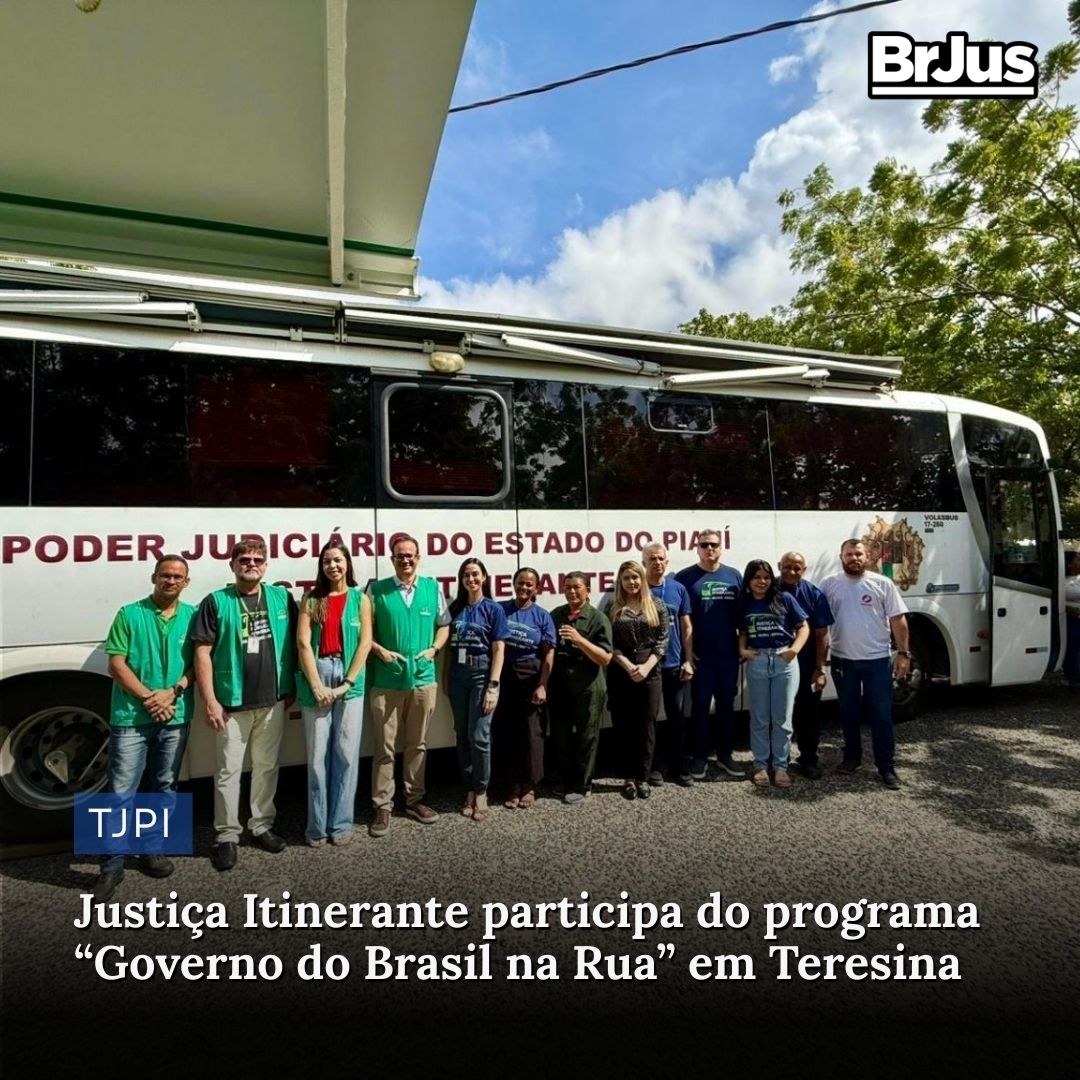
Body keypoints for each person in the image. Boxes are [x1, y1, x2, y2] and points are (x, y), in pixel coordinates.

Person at [95, 556, 196, 903]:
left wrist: (175, 691)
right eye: (165, 575)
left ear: (186, 582)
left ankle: (152, 850)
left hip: (176, 712)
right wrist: (149, 698)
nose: (170, 581)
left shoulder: (192, 615)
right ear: (154, 577)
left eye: (177, 577)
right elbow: (116, 664)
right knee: (121, 789)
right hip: (131, 716)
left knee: (165, 784)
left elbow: (199, 665)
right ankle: (111, 864)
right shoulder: (129, 614)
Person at [192, 540, 297, 870]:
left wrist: (290, 686)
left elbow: (297, 642)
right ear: (232, 565)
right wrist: (209, 700)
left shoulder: (282, 598)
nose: (251, 564)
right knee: (228, 771)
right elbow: (202, 653)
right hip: (231, 703)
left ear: (266, 566)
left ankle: (261, 825)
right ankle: (226, 836)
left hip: (273, 701)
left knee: (266, 766)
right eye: (244, 559)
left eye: (257, 560)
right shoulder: (215, 602)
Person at [366, 533, 450, 837]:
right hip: (386, 682)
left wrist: (435, 650)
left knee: (417, 744)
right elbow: (365, 632)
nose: (406, 559)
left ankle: (414, 800)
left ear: (418, 557)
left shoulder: (432, 588)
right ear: (392, 559)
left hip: (423, 680)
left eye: (410, 555)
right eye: (400, 555)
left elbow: (444, 625)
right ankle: (383, 807)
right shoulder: (376, 591)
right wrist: (379, 650)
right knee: (384, 748)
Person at [295, 542, 372, 847]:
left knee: (346, 755)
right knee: (316, 759)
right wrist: (316, 686)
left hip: (349, 678)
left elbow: (365, 642)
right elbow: (303, 643)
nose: (333, 566)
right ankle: (316, 828)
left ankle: (340, 824)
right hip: (318, 672)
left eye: (338, 560)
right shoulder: (311, 600)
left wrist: (347, 683)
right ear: (321, 566)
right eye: (327, 561)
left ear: (347, 564)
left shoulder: (360, 599)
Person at [819, 539, 910, 790]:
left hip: (877, 661)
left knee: (881, 715)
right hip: (842, 660)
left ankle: (886, 767)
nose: (854, 558)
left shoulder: (882, 584)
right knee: (848, 712)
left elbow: (898, 620)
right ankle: (851, 758)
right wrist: (820, 658)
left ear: (867, 556)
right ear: (841, 557)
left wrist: (903, 653)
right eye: (849, 554)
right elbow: (821, 625)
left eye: (858, 554)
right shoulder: (829, 584)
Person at [675, 530, 744, 780]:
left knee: (727, 706)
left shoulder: (734, 575)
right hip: (700, 657)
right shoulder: (685, 577)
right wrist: (687, 654)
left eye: (714, 544)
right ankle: (700, 757)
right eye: (704, 545)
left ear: (721, 547)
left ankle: (725, 756)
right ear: (697, 548)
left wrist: (742, 647)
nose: (709, 549)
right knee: (700, 707)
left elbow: (742, 617)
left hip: (728, 656)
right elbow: (682, 621)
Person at [447, 559, 509, 822]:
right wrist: (445, 681)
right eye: (466, 575)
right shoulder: (456, 608)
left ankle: (482, 790)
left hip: (482, 674)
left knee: (480, 735)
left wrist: (493, 686)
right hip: (457, 676)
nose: (471, 579)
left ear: (484, 577)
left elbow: (498, 649)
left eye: (475, 574)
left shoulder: (493, 609)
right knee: (461, 734)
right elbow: (448, 646)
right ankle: (469, 788)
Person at [738, 560, 809, 788]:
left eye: (766, 577)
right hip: (758, 661)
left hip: (784, 662)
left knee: (782, 718)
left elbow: (803, 627)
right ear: (748, 580)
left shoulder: (784, 599)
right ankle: (760, 765)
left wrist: (794, 650)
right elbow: (742, 630)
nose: (762, 581)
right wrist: (742, 650)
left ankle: (780, 767)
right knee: (759, 718)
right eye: (757, 577)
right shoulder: (745, 603)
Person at [608, 560, 670, 800]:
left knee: (647, 725)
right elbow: (609, 643)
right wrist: (627, 665)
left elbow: (663, 640)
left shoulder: (657, 605)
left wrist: (646, 667)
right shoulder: (614, 607)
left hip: (650, 669)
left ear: (642, 580)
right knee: (623, 724)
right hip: (621, 668)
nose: (631, 582)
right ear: (620, 582)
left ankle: (643, 777)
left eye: (635, 577)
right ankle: (627, 777)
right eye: (626, 578)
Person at [495, 567, 556, 809]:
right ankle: (512, 785)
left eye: (529, 584)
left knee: (532, 733)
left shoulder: (542, 616)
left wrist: (542, 685)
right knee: (507, 731)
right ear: (513, 583)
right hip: (505, 676)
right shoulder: (501, 609)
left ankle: (530, 785)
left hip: (532, 677)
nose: (524, 587)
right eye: (520, 582)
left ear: (537, 588)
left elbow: (549, 652)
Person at [549, 572, 612, 804]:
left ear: (587, 589)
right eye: (567, 587)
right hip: (560, 684)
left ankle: (582, 784)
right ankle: (566, 779)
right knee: (561, 734)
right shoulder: (557, 614)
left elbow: (605, 657)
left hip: (588, 686)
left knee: (587, 736)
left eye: (577, 587)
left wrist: (579, 639)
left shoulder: (597, 618)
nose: (572, 592)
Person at [778, 551, 835, 779]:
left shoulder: (813, 594)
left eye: (797, 568)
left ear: (804, 569)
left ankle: (808, 759)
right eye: (787, 567)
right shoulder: (767, 589)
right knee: (777, 714)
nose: (791, 572)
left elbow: (822, 634)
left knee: (808, 714)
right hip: (776, 665)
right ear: (779, 566)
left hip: (806, 665)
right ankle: (778, 760)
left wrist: (820, 669)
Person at [641, 543, 694, 786]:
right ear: (644, 563)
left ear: (667, 562)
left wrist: (688, 660)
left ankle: (680, 764)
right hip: (647, 665)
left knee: (676, 717)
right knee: (650, 718)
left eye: (661, 558)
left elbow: (686, 627)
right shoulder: (638, 589)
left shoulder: (678, 589)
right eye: (652, 559)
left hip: (674, 664)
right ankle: (655, 766)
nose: (657, 563)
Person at [1065, 550, 1080, 692]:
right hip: (1073, 620)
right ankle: (1074, 678)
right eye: (1077, 560)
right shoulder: (1064, 581)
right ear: (1069, 564)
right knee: (1073, 650)